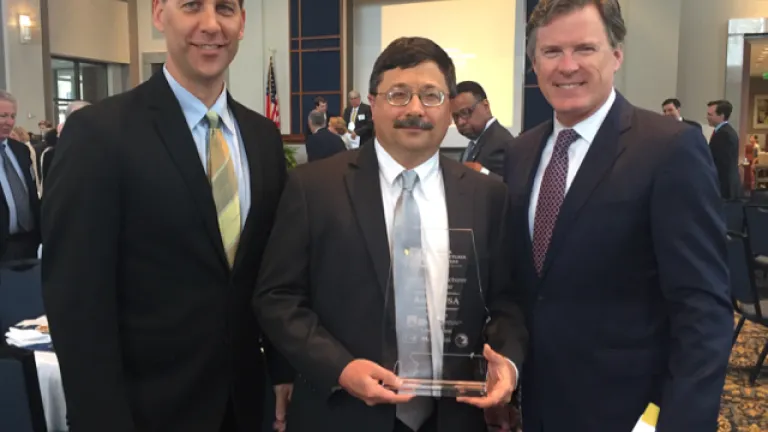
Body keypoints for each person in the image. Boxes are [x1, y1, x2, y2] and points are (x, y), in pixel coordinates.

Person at [253, 36, 527, 432]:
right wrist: (340, 368)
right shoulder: (313, 187)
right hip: (341, 413)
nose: (415, 109)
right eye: (399, 94)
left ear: (450, 108)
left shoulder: (487, 196)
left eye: (431, 96)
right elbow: (276, 298)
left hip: (454, 417)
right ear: (373, 103)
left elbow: (507, 302)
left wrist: (508, 362)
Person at [42, 1, 292, 431]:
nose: (211, 25)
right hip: (144, 409)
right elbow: (77, 301)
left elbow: (270, 273)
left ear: (243, 23)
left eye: (226, 8)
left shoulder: (263, 138)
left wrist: (282, 369)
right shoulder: (99, 135)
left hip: (244, 401)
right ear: (159, 14)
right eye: (192, 5)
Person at [505, 1, 733, 431]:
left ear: (617, 55)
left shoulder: (670, 148)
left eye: (585, 49)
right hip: (536, 405)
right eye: (552, 52)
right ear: (534, 64)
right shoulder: (520, 153)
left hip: (630, 413)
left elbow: (703, 309)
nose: (567, 66)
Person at [0, 90, 40, 262]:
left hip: (28, 244)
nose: (9, 122)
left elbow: (31, 192)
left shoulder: (21, 150)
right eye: (2, 116)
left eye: (12, 116)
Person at [451, 81, 515, 178]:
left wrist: (482, 171)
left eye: (465, 112)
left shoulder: (501, 143)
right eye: (455, 116)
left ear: (486, 106)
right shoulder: (477, 142)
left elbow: (509, 188)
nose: (460, 122)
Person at [707, 100, 740, 199]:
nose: (707, 117)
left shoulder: (724, 134)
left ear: (721, 116)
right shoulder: (724, 131)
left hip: (724, 186)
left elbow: (721, 163)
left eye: (710, 114)